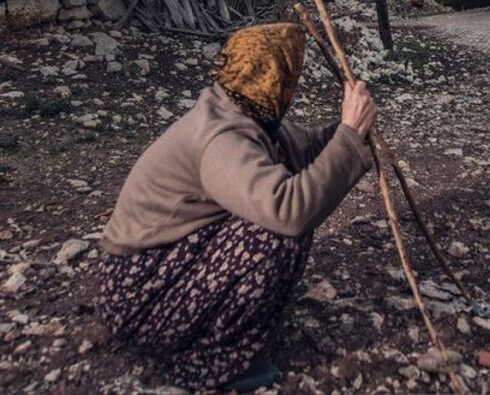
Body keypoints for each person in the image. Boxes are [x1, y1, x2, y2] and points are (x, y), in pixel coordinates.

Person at [97, 23, 377, 391]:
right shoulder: (221, 137)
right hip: (138, 297)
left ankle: (219, 328)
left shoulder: (244, 108)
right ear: (276, 80)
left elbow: (305, 149)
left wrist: (350, 128)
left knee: (281, 210)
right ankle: (211, 360)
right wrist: (348, 138)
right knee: (278, 232)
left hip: (166, 264)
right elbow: (289, 210)